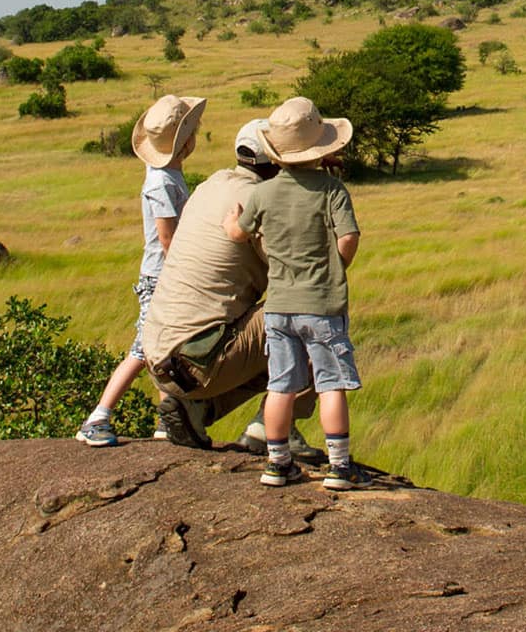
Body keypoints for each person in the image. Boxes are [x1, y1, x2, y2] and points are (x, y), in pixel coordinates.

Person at [139, 119, 318, 453]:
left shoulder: (212, 183)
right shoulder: (263, 201)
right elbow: (302, 274)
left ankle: (198, 410)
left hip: (159, 357)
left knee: (258, 337)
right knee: (311, 309)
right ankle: (276, 426)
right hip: (198, 361)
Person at [225, 97, 366, 490]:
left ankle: (277, 463)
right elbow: (349, 237)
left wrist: (230, 221)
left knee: (280, 384)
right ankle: (340, 467)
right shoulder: (333, 191)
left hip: (279, 308)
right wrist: (337, 265)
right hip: (321, 305)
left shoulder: (263, 193)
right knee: (329, 383)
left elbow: (239, 232)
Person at [76, 93, 206, 447]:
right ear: (185, 141)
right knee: (144, 350)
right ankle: (98, 416)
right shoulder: (161, 181)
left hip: (165, 275)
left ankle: (169, 418)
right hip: (162, 277)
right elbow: (168, 239)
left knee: (165, 350)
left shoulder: (168, 173)